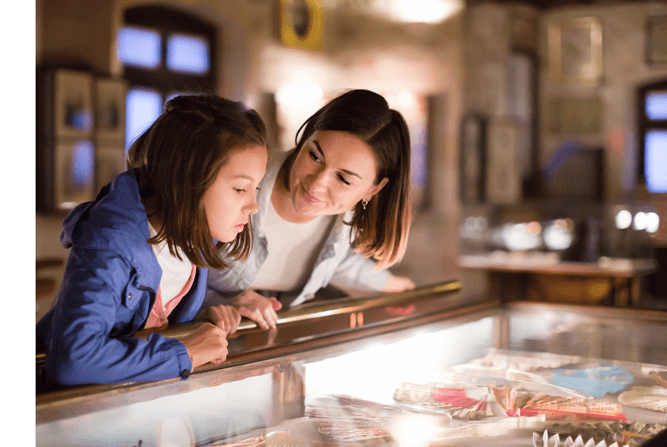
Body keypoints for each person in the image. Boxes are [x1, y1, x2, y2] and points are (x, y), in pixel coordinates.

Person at [35, 94, 268, 385]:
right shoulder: (112, 243)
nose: (254, 207)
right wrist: (186, 353)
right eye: (239, 189)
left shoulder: (193, 234)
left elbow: (156, 308)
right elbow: (74, 359)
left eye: (255, 188)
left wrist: (205, 315)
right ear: (186, 181)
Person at [205, 89, 416, 331]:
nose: (316, 185)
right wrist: (219, 301)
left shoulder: (343, 220)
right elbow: (173, 257)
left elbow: (336, 262)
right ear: (306, 136)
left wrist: (389, 285)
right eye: (315, 156)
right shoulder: (239, 176)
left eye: (344, 179)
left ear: (373, 189)